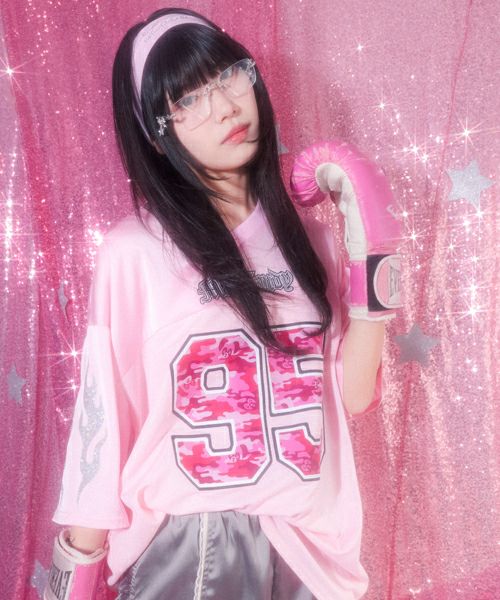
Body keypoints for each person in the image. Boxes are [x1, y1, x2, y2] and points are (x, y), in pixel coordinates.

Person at [44, 7, 399, 600]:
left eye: (229, 76)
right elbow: (102, 421)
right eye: (187, 100)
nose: (224, 108)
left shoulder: (310, 240)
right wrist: (74, 575)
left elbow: (353, 397)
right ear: (156, 135)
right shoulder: (135, 252)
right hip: (197, 544)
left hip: (309, 544)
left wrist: (374, 253)